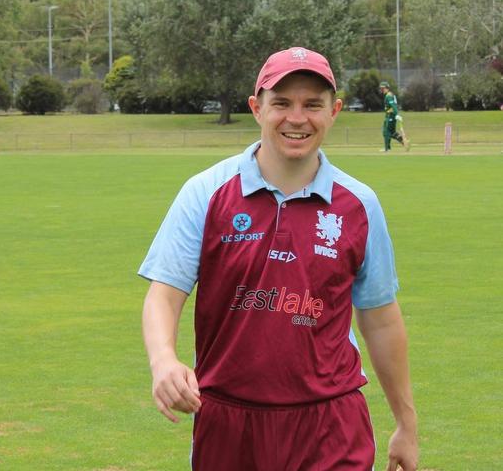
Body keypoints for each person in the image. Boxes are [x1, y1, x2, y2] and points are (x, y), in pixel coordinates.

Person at [139, 47, 418, 470]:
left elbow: (380, 317)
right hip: (229, 421)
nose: (297, 118)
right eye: (282, 103)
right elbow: (164, 293)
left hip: (331, 423)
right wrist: (163, 360)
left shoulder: (360, 204)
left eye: (312, 104)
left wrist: (406, 422)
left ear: (334, 111)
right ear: (257, 108)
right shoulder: (206, 192)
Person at [379, 81, 409, 152]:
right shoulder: (390, 95)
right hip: (389, 116)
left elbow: (393, 106)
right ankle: (403, 141)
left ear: (387, 88)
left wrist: (397, 114)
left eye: (383, 88)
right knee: (392, 132)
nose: (381, 90)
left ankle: (387, 148)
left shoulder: (388, 96)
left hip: (390, 116)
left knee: (386, 132)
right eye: (381, 88)